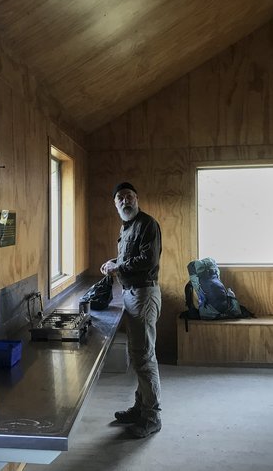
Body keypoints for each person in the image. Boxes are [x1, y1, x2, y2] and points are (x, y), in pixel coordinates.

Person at [100, 182, 162, 438]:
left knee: (145, 357)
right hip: (132, 294)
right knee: (138, 355)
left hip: (143, 294)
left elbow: (149, 259)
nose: (125, 201)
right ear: (116, 204)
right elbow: (130, 259)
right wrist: (115, 263)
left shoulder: (148, 224)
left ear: (137, 198)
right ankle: (140, 407)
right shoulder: (126, 227)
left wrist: (119, 268)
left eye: (129, 196)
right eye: (120, 198)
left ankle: (151, 416)